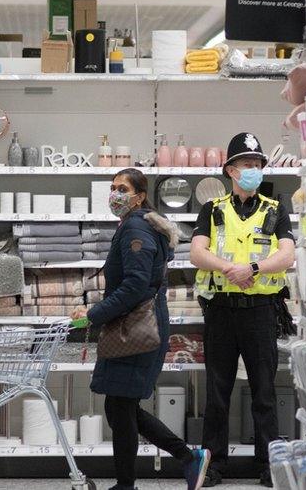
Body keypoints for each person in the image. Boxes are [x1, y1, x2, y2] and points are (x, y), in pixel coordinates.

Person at [71, 168, 211, 490]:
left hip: (136, 328)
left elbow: (135, 285)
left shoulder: (137, 227)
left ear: (140, 195)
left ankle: (132, 482)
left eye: (122, 188)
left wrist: (95, 314)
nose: (115, 194)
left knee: (120, 407)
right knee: (122, 406)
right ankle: (187, 459)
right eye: (113, 188)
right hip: (137, 324)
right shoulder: (141, 223)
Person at [190, 133, 296, 487]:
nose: (253, 170)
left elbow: (287, 254)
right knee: (217, 393)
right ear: (230, 170)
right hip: (221, 310)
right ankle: (215, 466)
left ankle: (268, 467)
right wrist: (228, 268)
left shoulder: (276, 209)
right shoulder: (213, 209)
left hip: (261, 311)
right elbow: (197, 253)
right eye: (247, 164)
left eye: (257, 164)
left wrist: (251, 270)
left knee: (264, 392)